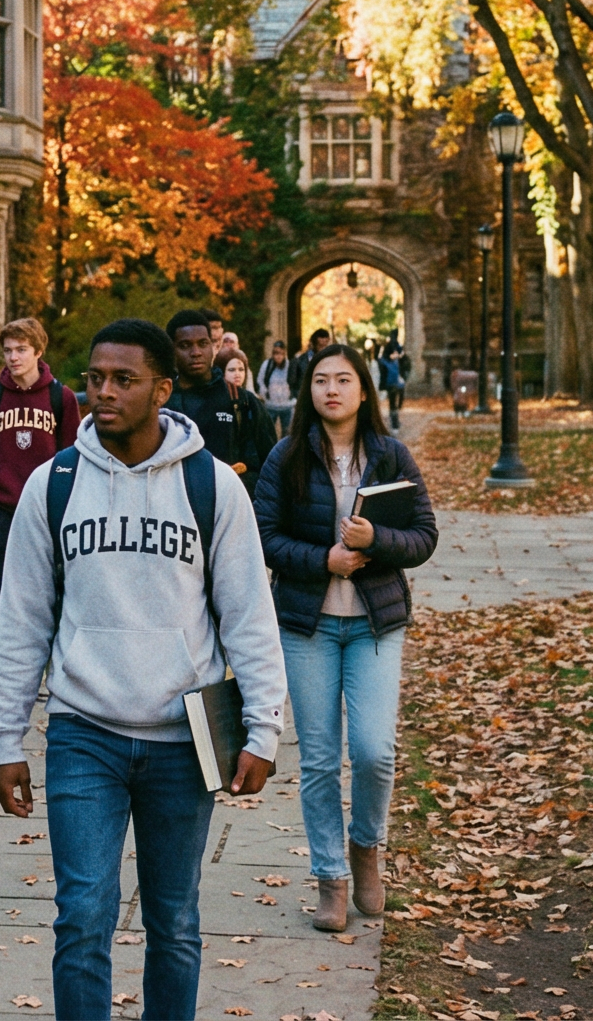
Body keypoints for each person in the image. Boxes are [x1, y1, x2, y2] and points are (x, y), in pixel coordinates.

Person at [0, 318, 288, 1021]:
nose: (104, 393)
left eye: (124, 380)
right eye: (95, 378)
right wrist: (7, 739)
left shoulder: (212, 486)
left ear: (163, 389)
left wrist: (264, 731)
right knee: (81, 921)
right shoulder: (52, 484)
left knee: (175, 925)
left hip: (183, 737)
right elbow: (22, 621)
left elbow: (248, 616)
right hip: (82, 732)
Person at [254, 341, 437, 932]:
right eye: (321, 381)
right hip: (307, 624)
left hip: (374, 624)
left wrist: (373, 542)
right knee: (320, 760)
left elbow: (424, 536)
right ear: (308, 391)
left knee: (374, 750)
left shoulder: (390, 456)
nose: (332, 389)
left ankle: (367, 849)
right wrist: (324, 559)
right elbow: (262, 537)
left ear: (364, 390)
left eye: (344, 380)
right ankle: (331, 877)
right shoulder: (286, 457)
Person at [0, 316, 82, 620]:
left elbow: (73, 460)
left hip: (48, 511)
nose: (13, 357)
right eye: (7, 351)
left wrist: (72, 508)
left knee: (52, 595)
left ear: (38, 351)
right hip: (4, 511)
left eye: (21, 349)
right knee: (4, 597)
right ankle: (8, 661)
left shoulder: (62, 398)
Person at [167, 308, 278, 493]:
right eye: (185, 345)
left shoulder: (241, 401)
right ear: (172, 350)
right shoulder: (160, 403)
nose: (196, 352)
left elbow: (272, 468)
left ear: (213, 347)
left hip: (231, 509)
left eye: (203, 343)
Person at [258, 340, 296, 433]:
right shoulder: (267, 365)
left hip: (287, 405)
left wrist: (295, 397)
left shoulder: (290, 365)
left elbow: (297, 381)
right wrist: (264, 393)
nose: (278, 356)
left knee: (287, 432)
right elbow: (260, 380)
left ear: (284, 353)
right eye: (276, 353)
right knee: (268, 431)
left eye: (281, 353)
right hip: (271, 405)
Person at [375, 337, 409, 421]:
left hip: (396, 383)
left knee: (394, 402)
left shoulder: (396, 361)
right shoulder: (384, 362)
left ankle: (394, 417)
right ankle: (394, 420)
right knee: (392, 403)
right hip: (389, 384)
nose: (396, 354)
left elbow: (404, 360)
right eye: (394, 353)